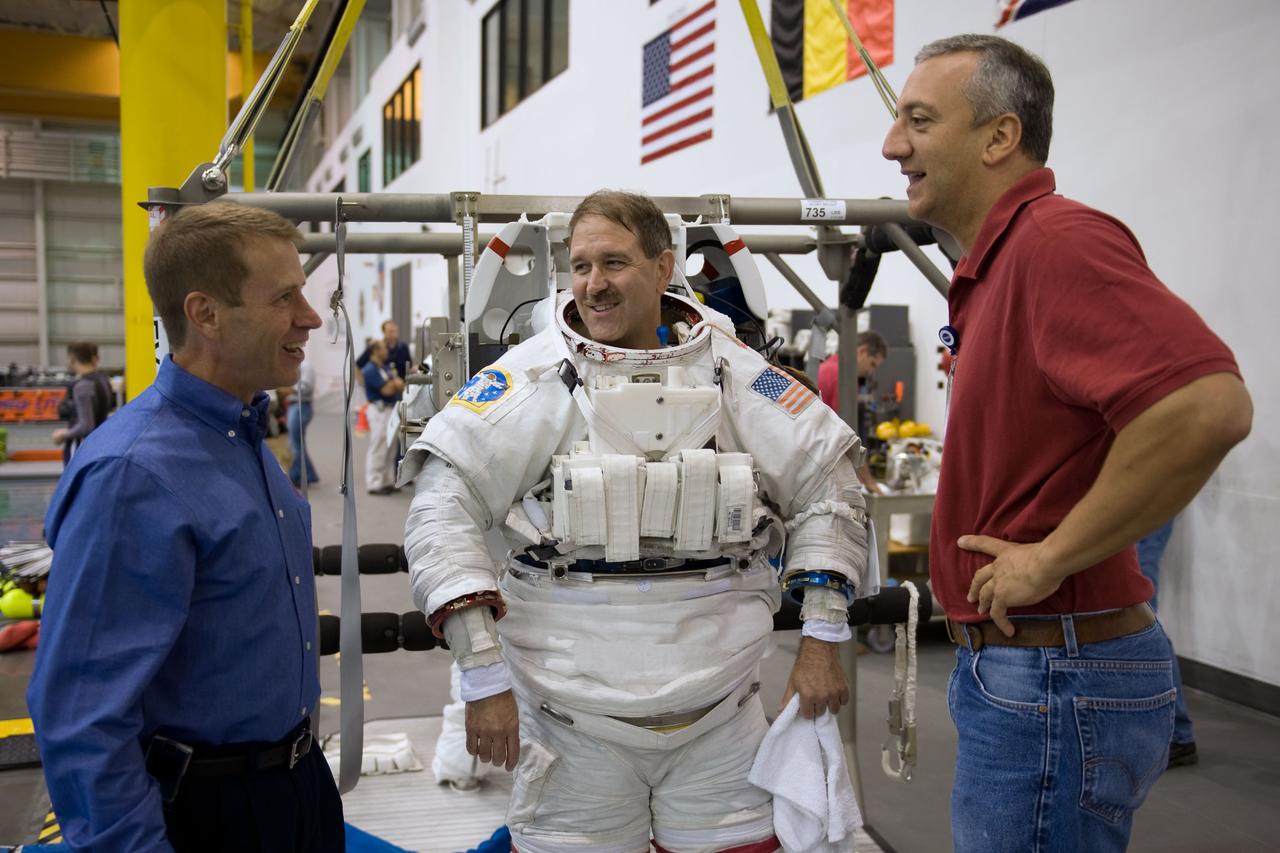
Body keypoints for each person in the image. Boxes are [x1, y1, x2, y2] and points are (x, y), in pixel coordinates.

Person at [402, 190, 868, 853]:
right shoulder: (531, 379)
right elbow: (441, 508)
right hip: (572, 722)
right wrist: (482, 676)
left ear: (662, 266)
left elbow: (830, 482)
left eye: (614, 263)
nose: (594, 284)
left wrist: (822, 636)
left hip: (721, 715)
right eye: (581, 265)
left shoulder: (736, 374)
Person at [882, 35, 1251, 852]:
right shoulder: (999, 263)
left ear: (999, 137)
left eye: (918, 120)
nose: (892, 143)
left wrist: (1049, 557)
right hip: (1032, 671)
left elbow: (1208, 406)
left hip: (1056, 672)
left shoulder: (1055, 244)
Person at [27, 202, 343, 852]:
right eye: (285, 296)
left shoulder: (242, 432)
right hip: (209, 812)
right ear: (204, 313)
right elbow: (81, 716)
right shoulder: (132, 474)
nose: (310, 317)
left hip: (298, 785)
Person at [1135, 518, 1197, 766]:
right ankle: (1175, 733)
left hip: (1137, 503)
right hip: (1130, 502)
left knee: (1139, 619)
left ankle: (1177, 734)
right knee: (1138, 618)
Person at [817, 329, 889, 493]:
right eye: (872, 364)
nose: (870, 372)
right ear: (862, 351)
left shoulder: (828, 367)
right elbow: (846, 437)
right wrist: (870, 482)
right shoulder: (842, 376)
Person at [52, 341, 112, 464]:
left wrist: (62, 435)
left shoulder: (83, 386)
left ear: (72, 358)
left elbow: (86, 425)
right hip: (100, 444)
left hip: (82, 447)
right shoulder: (103, 380)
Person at [362, 338, 404, 494]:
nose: (387, 350)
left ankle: (386, 481)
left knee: (390, 446)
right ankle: (374, 483)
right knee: (378, 447)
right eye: (383, 348)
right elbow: (387, 390)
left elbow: (401, 384)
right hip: (378, 410)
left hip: (390, 410)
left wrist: (394, 384)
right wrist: (394, 384)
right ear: (375, 351)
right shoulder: (369, 370)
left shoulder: (384, 368)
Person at [288, 359, 319, 488]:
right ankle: (308, 475)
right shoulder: (294, 366)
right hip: (295, 406)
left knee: (295, 443)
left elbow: (306, 387)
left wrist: (289, 388)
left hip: (301, 406)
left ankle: (297, 476)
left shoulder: (305, 366)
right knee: (297, 442)